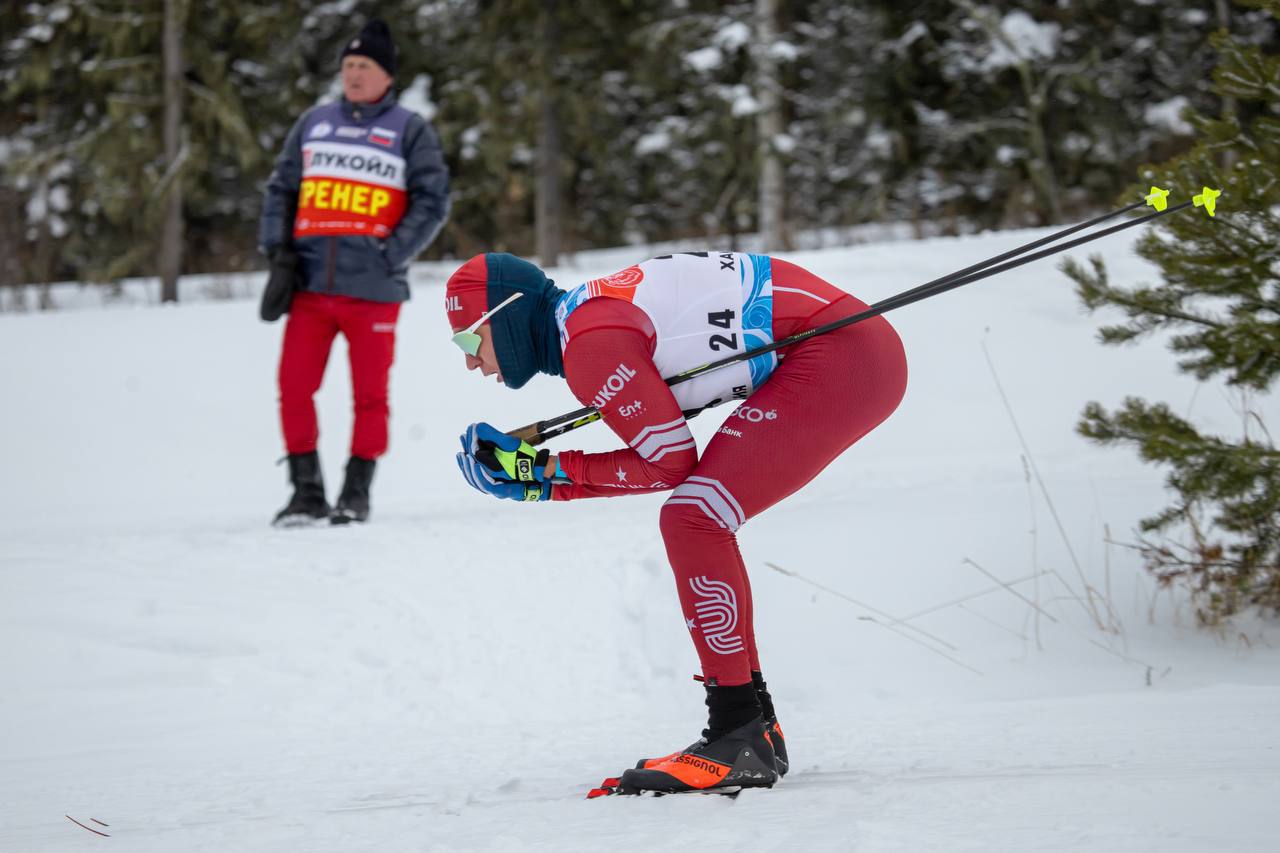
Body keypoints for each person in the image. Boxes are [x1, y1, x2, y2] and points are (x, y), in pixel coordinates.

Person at [446, 251, 908, 794]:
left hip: (840, 353)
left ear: (507, 317)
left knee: (694, 518)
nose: (471, 362)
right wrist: (542, 476)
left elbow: (668, 464)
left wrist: (542, 474)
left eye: (469, 340)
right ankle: (751, 725)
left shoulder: (590, 343)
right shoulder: (585, 322)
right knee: (696, 514)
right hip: (848, 346)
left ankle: (738, 733)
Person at [259, 19, 450, 526]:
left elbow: (433, 201)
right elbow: (281, 189)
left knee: (370, 395)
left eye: (364, 66)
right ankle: (305, 492)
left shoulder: (409, 130)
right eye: (347, 65)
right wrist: (277, 249)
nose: (354, 74)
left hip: (374, 289)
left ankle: (356, 493)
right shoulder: (314, 122)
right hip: (309, 287)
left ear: (387, 75)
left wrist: (392, 253)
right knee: (294, 387)